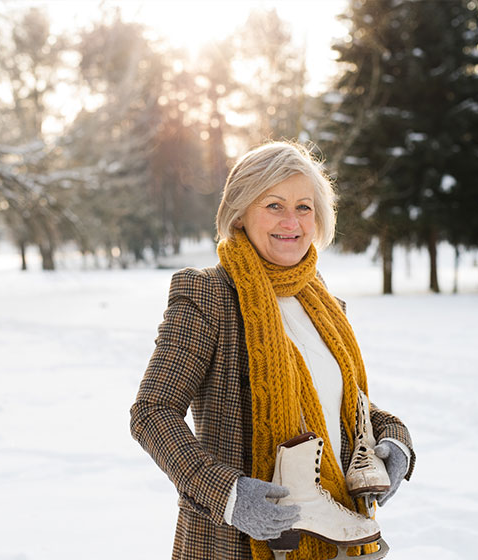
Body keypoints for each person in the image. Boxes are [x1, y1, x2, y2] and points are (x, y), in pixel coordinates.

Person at [130, 141, 415, 560]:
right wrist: (228, 494)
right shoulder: (210, 296)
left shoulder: (326, 307)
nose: (291, 221)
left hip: (333, 538)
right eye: (274, 205)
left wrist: (395, 442)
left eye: (304, 207)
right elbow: (152, 412)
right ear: (241, 213)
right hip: (233, 545)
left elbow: (348, 407)